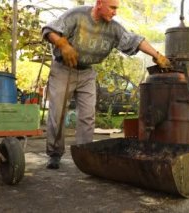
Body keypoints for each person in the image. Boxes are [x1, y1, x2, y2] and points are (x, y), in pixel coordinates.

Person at [41, 0, 171, 169]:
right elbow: (48, 30)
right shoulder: (77, 15)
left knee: (87, 116)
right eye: (112, 8)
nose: (115, 12)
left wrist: (157, 55)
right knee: (57, 114)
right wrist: (62, 44)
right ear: (100, 3)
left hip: (87, 72)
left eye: (116, 8)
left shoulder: (114, 28)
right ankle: (55, 154)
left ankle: (84, 155)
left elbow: (135, 40)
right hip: (63, 69)